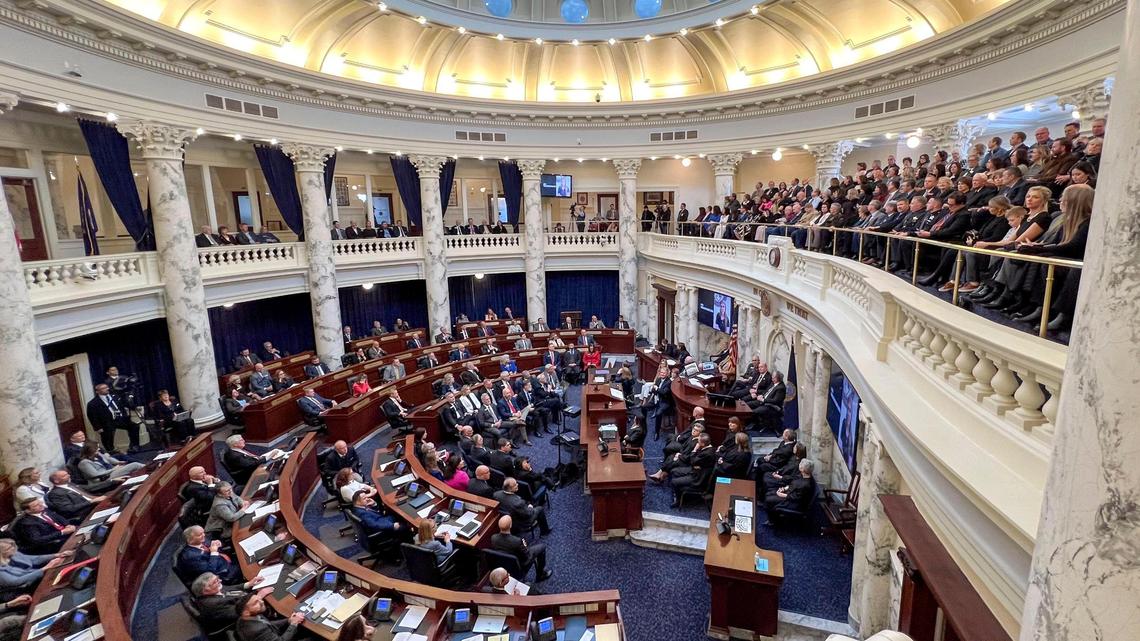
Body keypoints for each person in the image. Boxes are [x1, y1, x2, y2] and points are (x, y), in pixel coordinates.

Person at [190, 572, 269, 638]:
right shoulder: (213, 604)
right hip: (252, 618)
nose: (220, 581)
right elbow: (241, 612)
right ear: (206, 590)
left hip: (249, 598)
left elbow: (231, 588)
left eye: (218, 578)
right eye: (215, 581)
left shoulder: (215, 589)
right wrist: (259, 597)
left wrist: (249, 584)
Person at [491, 515, 552, 581]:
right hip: (520, 564)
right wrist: (525, 546)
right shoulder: (517, 541)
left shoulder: (493, 537)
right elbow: (526, 555)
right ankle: (541, 575)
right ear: (510, 525)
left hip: (503, 562)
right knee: (542, 547)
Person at [0, 538, 70, 595]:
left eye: (13, 546)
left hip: (38, 577)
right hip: (27, 589)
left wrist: (56, 555)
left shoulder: (13, 554)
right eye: (9, 548)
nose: (13, 548)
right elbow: (16, 581)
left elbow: (34, 559)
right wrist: (44, 569)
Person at [85, 382, 140, 453]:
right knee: (106, 434)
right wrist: (97, 427)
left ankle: (134, 446)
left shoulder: (115, 397)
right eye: (103, 388)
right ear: (97, 391)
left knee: (134, 426)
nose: (107, 389)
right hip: (107, 422)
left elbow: (123, 405)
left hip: (120, 419)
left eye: (107, 387)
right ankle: (110, 450)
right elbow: (92, 416)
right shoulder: (93, 403)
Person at [667, 433, 716, 506]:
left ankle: (678, 500)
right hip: (695, 469)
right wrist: (695, 463)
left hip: (698, 477)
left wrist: (694, 450)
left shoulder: (707, 453)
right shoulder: (706, 448)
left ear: (702, 444)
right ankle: (676, 491)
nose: (697, 442)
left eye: (698, 441)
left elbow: (692, 461)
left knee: (674, 481)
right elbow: (694, 462)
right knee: (674, 471)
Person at [235, 592, 306, 641]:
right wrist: (294, 624)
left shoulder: (246, 616)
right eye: (255, 603)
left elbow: (269, 624)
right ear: (246, 612)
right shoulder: (257, 630)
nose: (262, 602)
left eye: (259, 599)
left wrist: (289, 620)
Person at [77, 441, 144, 481]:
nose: (99, 449)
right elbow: (95, 475)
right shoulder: (84, 463)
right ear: (91, 450)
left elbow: (108, 458)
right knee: (135, 465)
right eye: (97, 448)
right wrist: (114, 469)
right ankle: (150, 467)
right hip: (105, 477)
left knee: (132, 467)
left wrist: (118, 462)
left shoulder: (98, 454)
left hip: (112, 470)